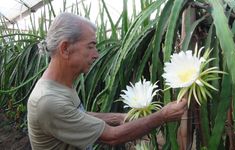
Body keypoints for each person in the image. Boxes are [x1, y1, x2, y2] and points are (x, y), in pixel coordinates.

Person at [27, 12, 187, 150]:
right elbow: (112, 137)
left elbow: (75, 115)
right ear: (65, 48)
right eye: (90, 46)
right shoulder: (47, 101)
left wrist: (117, 118)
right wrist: (162, 115)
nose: (96, 54)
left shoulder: (58, 86)